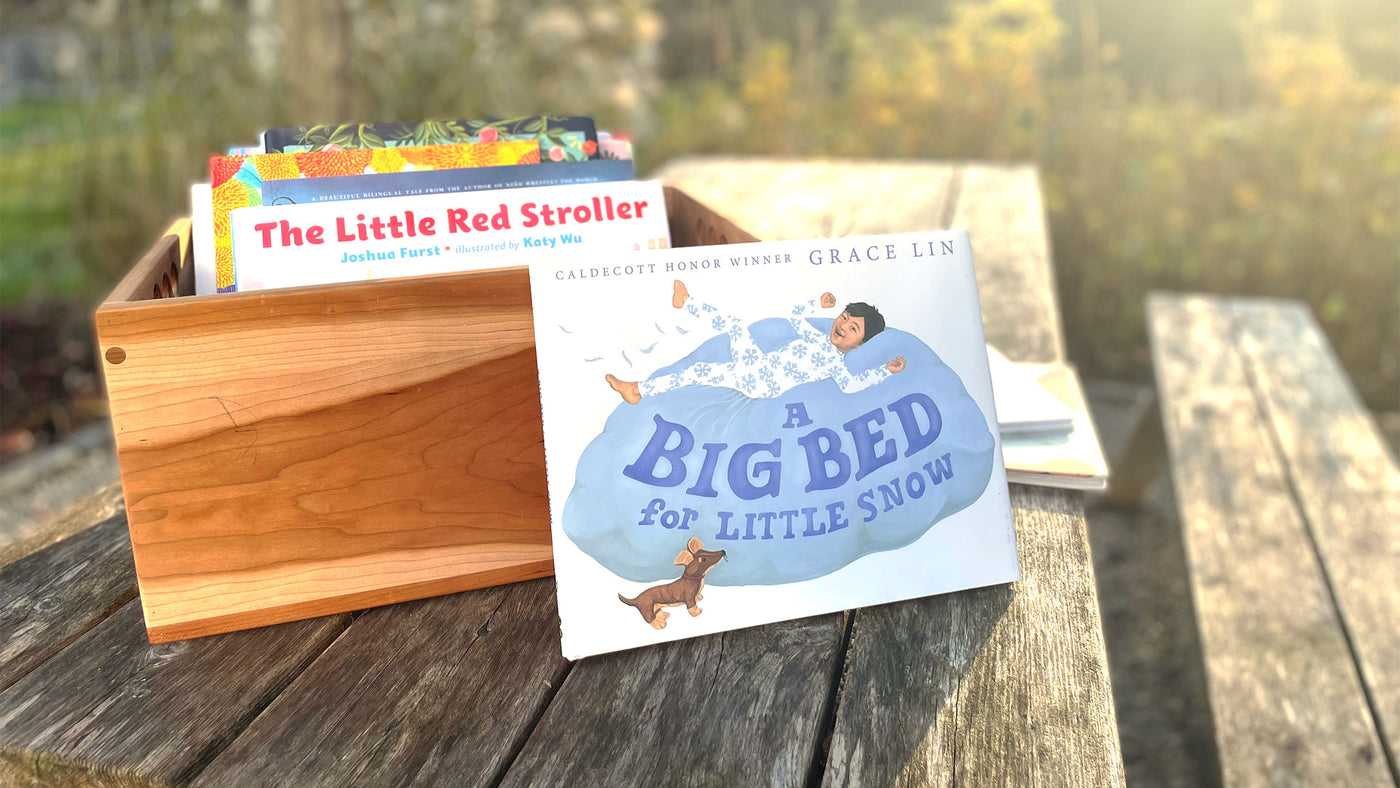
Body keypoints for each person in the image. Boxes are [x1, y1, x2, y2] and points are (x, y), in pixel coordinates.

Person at [607, 280, 906, 403]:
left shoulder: (834, 363)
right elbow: (794, 317)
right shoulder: (815, 336)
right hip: (753, 372)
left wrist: (885, 371)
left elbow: (852, 385)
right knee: (697, 371)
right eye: (844, 317)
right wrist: (818, 302)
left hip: (763, 383)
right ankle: (637, 390)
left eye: (853, 328)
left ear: (859, 344)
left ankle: (686, 303)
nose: (842, 325)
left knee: (737, 327)